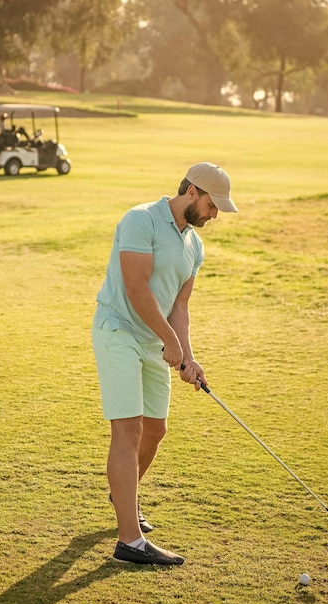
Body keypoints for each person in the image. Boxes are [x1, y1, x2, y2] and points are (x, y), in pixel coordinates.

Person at [92, 162, 238, 565]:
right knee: (129, 430)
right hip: (118, 330)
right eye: (211, 205)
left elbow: (180, 306)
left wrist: (187, 354)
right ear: (191, 191)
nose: (214, 215)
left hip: (154, 342)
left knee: (155, 430)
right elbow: (137, 288)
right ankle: (129, 542)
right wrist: (171, 342)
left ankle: (123, 493)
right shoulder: (141, 220)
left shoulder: (195, 245)